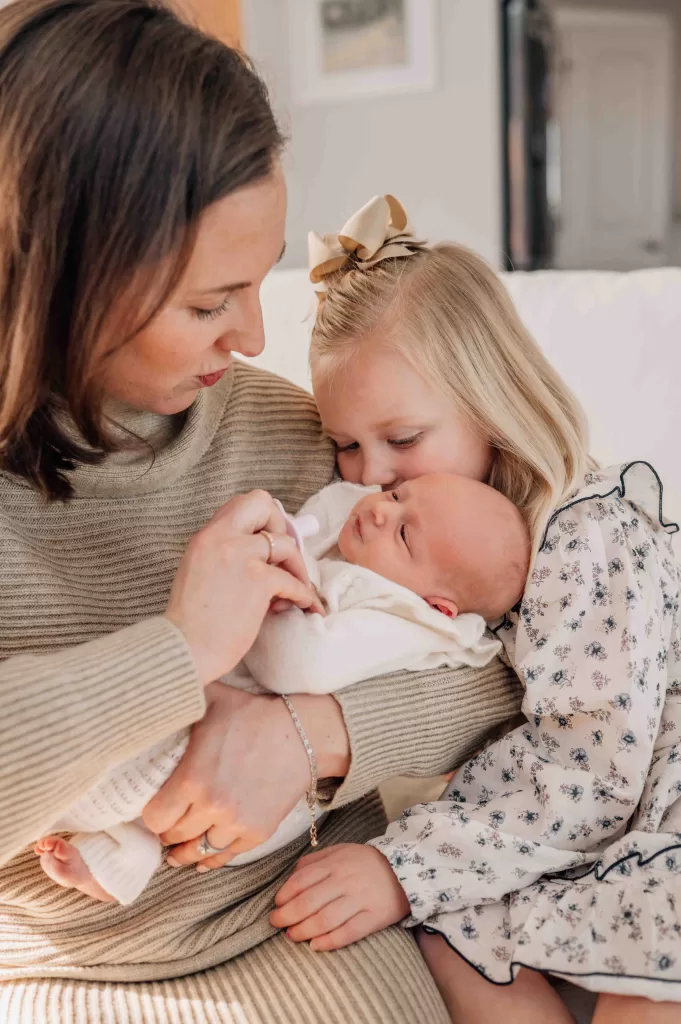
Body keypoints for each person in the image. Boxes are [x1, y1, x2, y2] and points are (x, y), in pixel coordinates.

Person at [0, 5, 521, 1022]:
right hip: (66, 964)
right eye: (209, 302)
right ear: (64, 279)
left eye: (262, 278)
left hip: (306, 917)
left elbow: (506, 655)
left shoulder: (303, 439)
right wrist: (178, 652)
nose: (251, 333)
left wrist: (316, 732)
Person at [270, 196, 681, 1024]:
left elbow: (591, 769)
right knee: (452, 929)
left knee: (650, 943)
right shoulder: (402, 538)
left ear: (492, 403)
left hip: (641, 791)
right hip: (541, 817)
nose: (371, 474)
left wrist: (404, 865)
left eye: (402, 439)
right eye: (346, 443)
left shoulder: (586, 534)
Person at [35, 474, 529, 906]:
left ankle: (83, 820)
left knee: (146, 762)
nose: (381, 509)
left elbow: (297, 667)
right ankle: (114, 854)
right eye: (398, 494)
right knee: (155, 758)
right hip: (234, 727)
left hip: (272, 792)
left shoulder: (405, 619)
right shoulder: (368, 546)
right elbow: (322, 515)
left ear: (438, 605)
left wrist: (278, 586)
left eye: (403, 533)